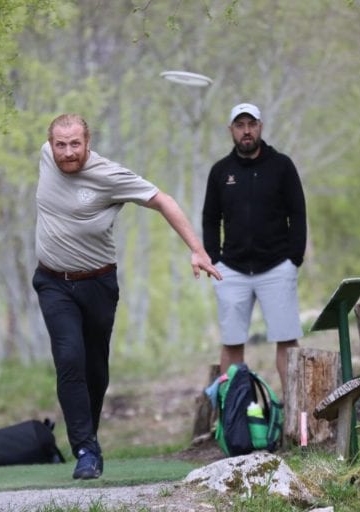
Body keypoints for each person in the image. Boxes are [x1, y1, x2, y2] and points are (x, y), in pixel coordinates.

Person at [33, 114, 222, 480]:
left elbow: (162, 200)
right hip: (53, 282)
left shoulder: (109, 176)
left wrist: (197, 249)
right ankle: (86, 449)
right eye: (60, 144)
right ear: (50, 144)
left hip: (98, 283)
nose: (68, 152)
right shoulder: (46, 157)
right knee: (69, 357)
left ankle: (89, 432)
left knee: (95, 368)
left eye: (75, 144)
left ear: (88, 142)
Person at [202, 102, 307, 399]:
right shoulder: (220, 172)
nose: (246, 131)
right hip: (231, 270)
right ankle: (233, 419)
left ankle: (295, 417)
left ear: (260, 126)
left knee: (287, 342)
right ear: (231, 131)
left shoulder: (282, 166)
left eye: (251, 124)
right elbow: (210, 219)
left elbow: (297, 213)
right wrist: (215, 260)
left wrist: (293, 258)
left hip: (276, 267)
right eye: (240, 125)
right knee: (232, 344)